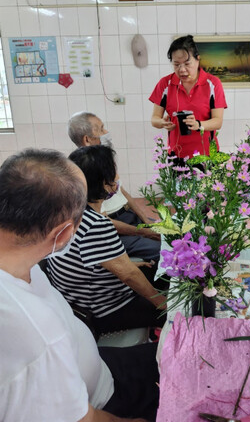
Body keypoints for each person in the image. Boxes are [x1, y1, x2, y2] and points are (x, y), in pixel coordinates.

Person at [0, 148, 159, 422]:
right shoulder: (35, 332)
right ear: (63, 235)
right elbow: (83, 418)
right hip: (106, 399)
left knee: (170, 354)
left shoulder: (21, 257)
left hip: (99, 363)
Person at [47, 145, 167, 336]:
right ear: (105, 183)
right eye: (114, 173)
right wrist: (162, 302)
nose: (118, 178)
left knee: (158, 271)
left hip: (78, 297)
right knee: (178, 309)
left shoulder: (67, 210)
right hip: (103, 309)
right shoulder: (95, 224)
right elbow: (128, 276)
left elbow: (93, 260)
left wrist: (134, 259)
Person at [68, 111, 160, 261]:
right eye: (101, 128)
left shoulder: (103, 160)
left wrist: (145, 220)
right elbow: (104, 222)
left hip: (130, 217)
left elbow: (123, 192)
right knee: (163, 249)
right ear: (87, 139)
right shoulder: (84, 171)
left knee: (172, 234)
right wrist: (143, 232)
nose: (106, 132)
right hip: (116, 228)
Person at [149, 35, 227, 160]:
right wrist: (162, 122)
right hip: (176, 155)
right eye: (176, 65)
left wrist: (199, 125)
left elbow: (218, 122)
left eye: (187, 63)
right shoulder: (165, 84)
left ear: (198, 60)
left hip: (207, 155)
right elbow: (154, 119)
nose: (182, 70)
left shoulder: (212, 83)